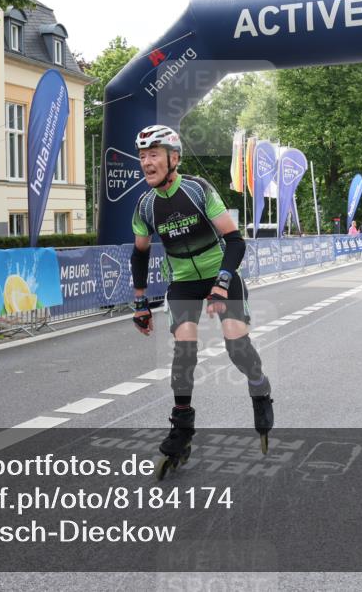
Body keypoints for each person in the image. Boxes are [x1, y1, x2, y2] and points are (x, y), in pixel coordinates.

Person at [129, 125, 274, 475]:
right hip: (183, 282)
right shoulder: (145, 205)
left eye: (153, 155)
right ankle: (181, 431)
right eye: (142, 156)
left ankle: (259, 388)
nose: (146, 162)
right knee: (184, 354)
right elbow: (140, 254)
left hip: (219, 273)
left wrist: (222, 283)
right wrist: (140, 303)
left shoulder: (197, 190)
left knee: (237, 346)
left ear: (173, 158)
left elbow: (235, 241)